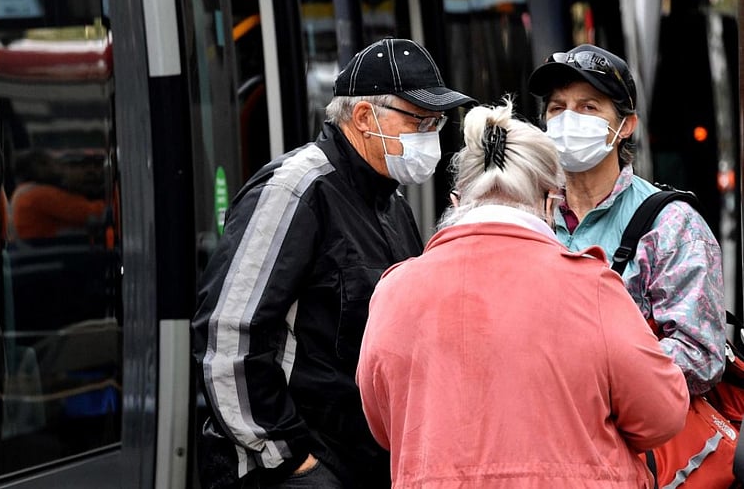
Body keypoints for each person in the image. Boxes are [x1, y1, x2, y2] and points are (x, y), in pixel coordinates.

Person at [356, 98, 689, 488]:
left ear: (457, 202)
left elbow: (384, 425)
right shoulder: (592, 288)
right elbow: (662, 416)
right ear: (550, 201)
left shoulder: (395, 291)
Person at [191, 37, 475, 489]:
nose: (431, 135)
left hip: (361, 462)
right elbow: (228, 337)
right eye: (419, 120)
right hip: (300, 469)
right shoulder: (295, 190)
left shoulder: (391, 205)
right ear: (364, 118)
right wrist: (289, 460)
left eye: (437, 122)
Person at [527, 44, 725, 396]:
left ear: (625, 125)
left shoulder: (671, 225)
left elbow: (699, 355)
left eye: (588, 107)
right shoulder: (524, 216)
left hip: (624, 441)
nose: (568, 119)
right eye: (557, 108)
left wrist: (588, 370)